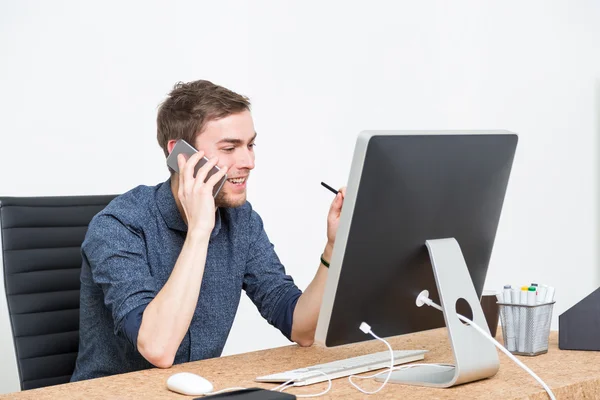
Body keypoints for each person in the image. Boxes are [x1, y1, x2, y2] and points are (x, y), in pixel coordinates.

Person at [71, 80, 346, 381]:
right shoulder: (118, 226)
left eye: (250, 145)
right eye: (229, 148)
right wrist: (199, 231)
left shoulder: (241, 220)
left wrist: (334, 247)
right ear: (181, 155)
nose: (249, 162)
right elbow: (158, 349)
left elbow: (301, 328)